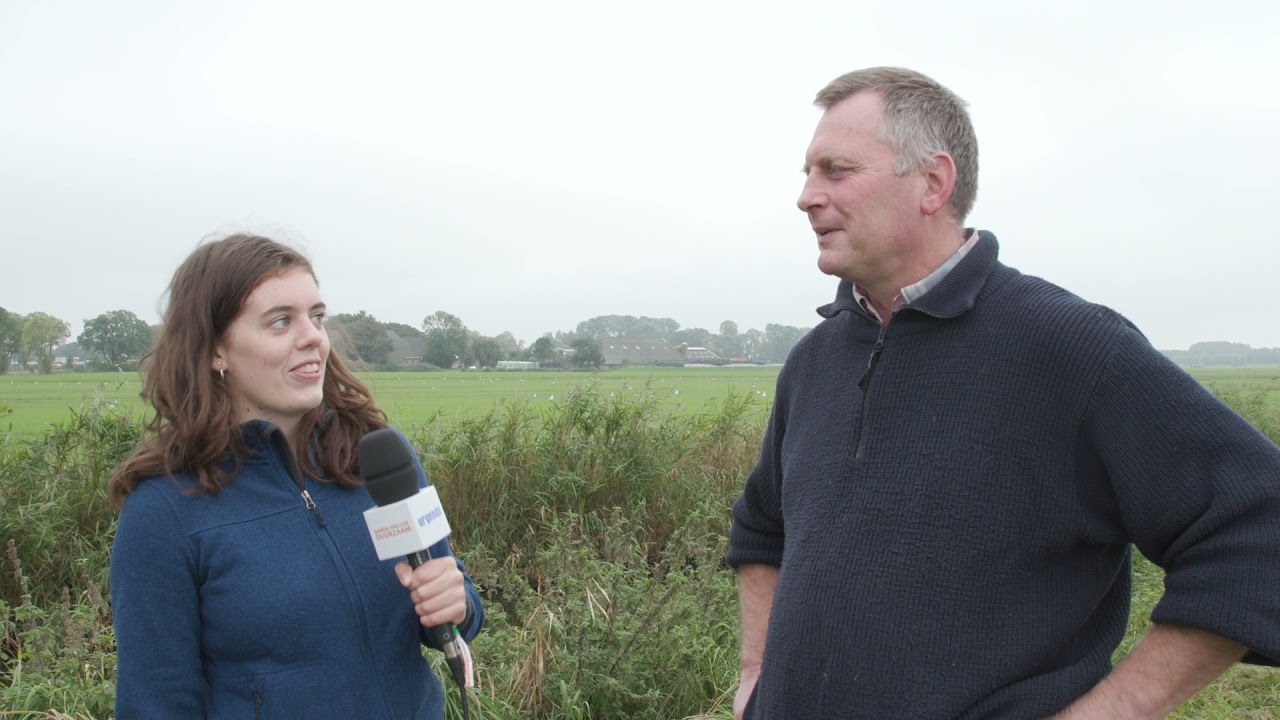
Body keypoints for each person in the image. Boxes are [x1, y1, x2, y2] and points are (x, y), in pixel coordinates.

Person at [726, 67, 1280, 719]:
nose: (807, 196)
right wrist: (756, 673)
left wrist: (1119, 709)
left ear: (933, 182)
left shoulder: (1071, 348)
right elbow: (763, 528)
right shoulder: (816, 359)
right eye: (807, 172)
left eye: (836, 170)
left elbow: (1258, 527)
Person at [108, 233, 484, 719]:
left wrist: (457, 606)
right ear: (215, 350)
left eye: (317, 316)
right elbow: (156, 704)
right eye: (281, 321)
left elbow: (449, 596)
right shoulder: (164, 512)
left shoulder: (377, 458)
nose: (313, 336)